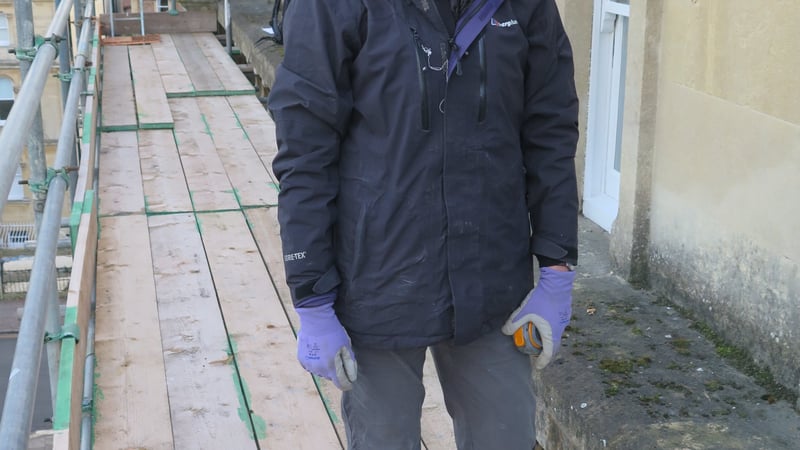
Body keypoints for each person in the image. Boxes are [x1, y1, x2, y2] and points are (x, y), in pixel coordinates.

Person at [268, 0, 579, 448]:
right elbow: (305, 154)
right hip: (377, 283)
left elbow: (550, 134)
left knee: (505, 435)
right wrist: (312, 297)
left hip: (491, 286)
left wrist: (556, 271)